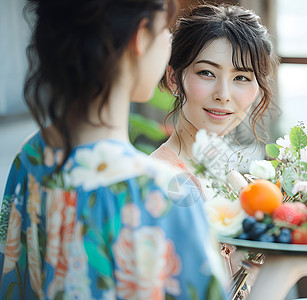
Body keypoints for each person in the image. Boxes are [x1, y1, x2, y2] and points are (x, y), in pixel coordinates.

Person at [0, 0, 229, 299]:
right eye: (166, 32)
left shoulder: (31, 156)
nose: (169, 44)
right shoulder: (162, 192)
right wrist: (282, 269)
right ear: (140, 36)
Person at [151, 4, 307, 300]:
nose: (223, 93)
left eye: (241, 78)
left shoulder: (232, 177)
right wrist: (288, 268)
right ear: (175, 78)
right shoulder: (169, 185)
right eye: (206, 73)